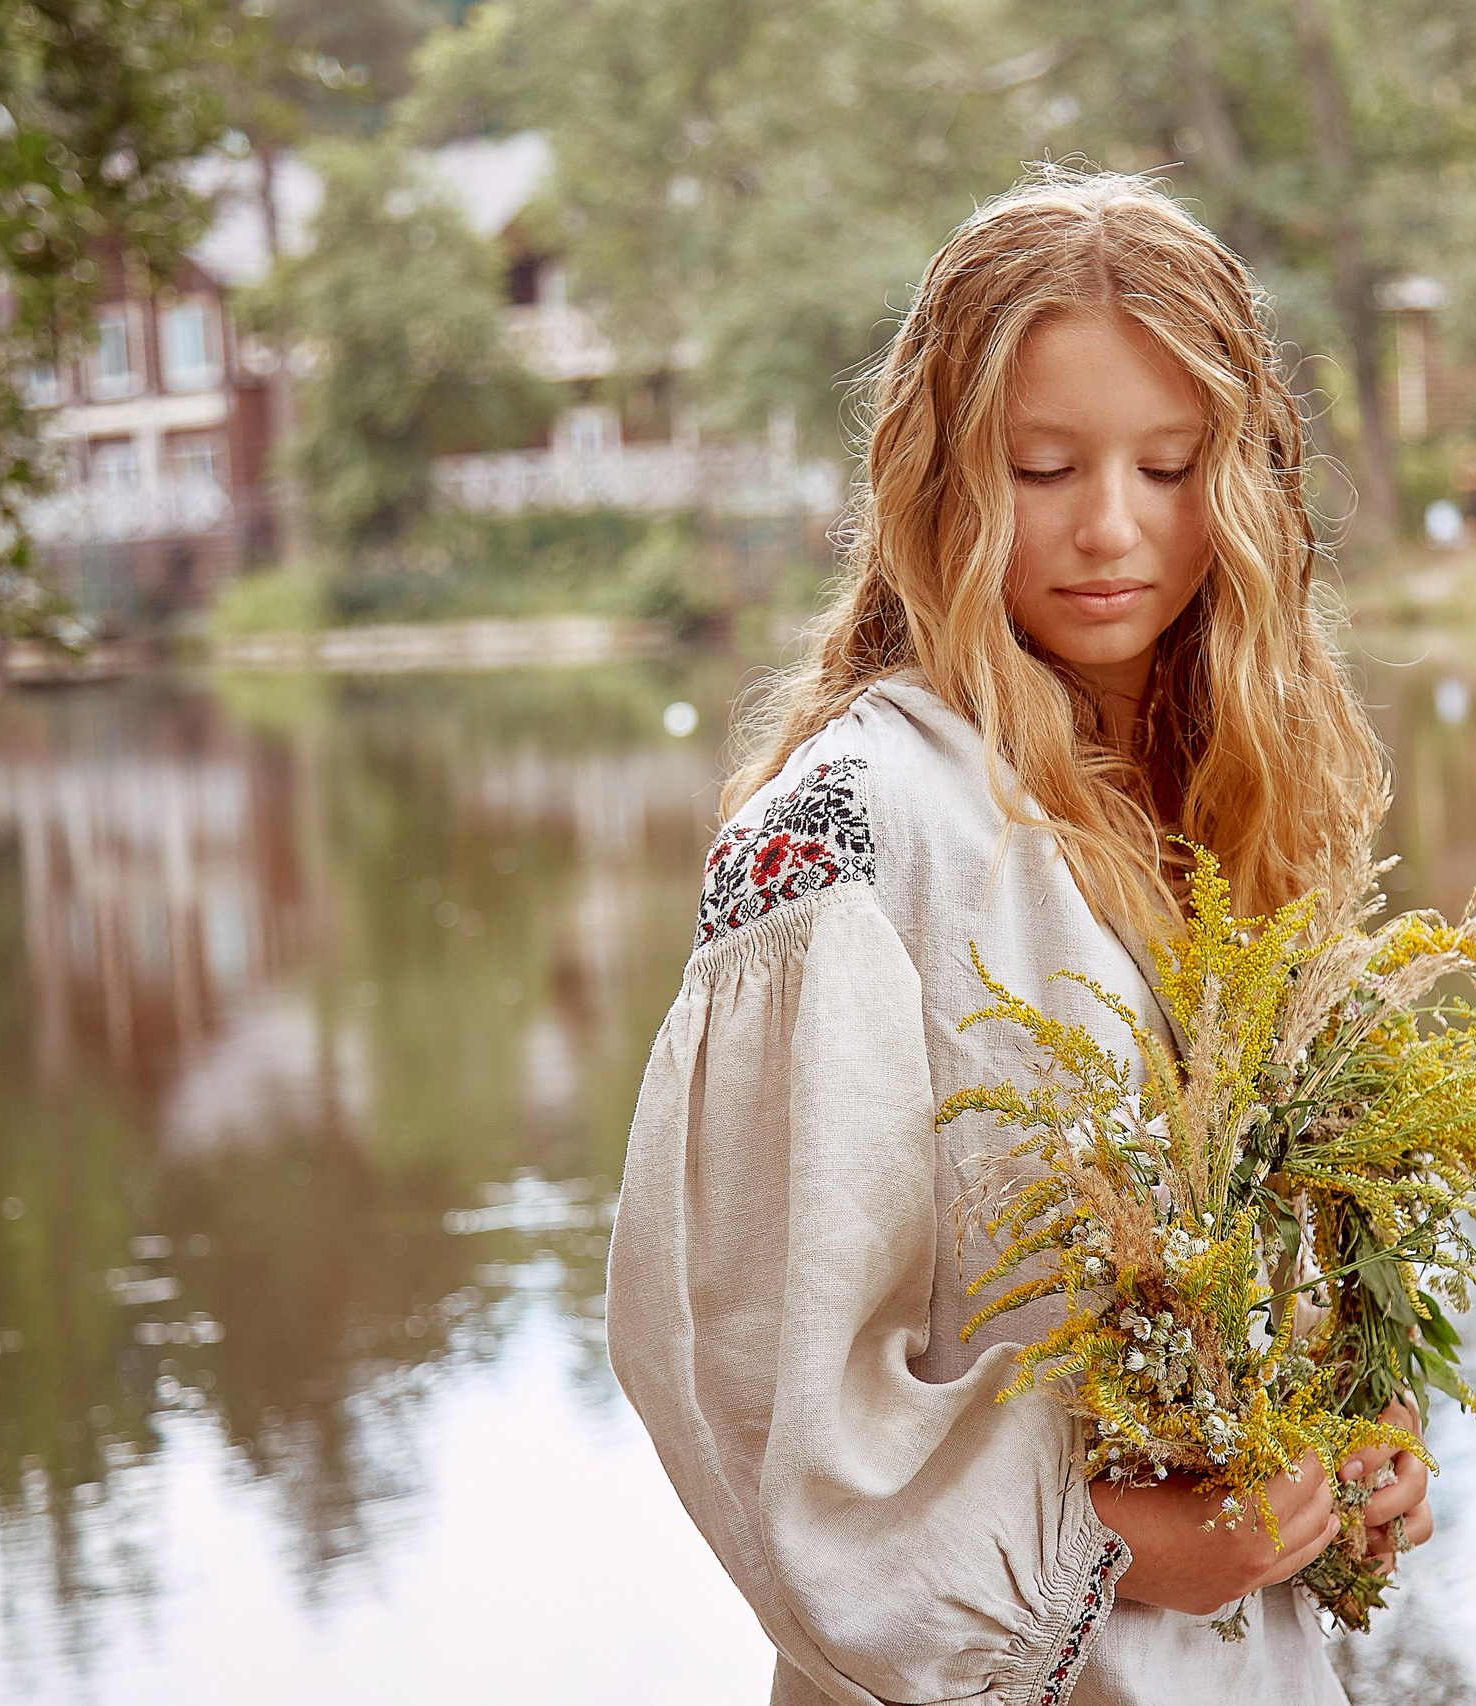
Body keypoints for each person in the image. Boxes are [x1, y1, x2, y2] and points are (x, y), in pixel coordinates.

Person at [608, 168, 1434, 1706]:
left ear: (1243, 478)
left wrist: (1339, 1450)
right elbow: (750, 1385)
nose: (1112, 527)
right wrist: (1107, 1545)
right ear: (940, 476)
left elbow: (1230, 1293)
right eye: (1044, 466)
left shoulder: (1237, 803)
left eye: (1171, 463)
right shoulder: (847, 835)